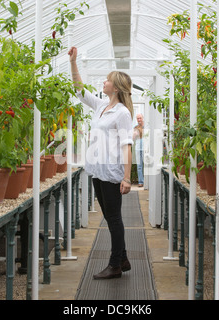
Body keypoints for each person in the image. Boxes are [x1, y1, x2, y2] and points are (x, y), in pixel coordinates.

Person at [68, 46, 133, 280]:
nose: (103, 83)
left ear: (115, 87)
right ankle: (123, 258)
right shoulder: (101, 107)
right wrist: (73, 62)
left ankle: (115, 264)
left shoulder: (122, 113)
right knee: (110, 217)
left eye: (107, 80)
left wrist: (127, 178)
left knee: (114, 218)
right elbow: (80, 91)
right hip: (97, 170)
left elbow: (127, 144)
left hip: (112, 172)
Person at [133, 113, 144, 187]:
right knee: (139, 166)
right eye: (137, 118)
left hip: (145, 148)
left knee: (147, 165)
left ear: (142, 118)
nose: (139, 120)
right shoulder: (135, 127)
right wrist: (134, 134)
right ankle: (141, 181)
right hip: (138, 148)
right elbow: (133, 138)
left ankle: (148, 182)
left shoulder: (146, 126)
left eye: (140, 118)